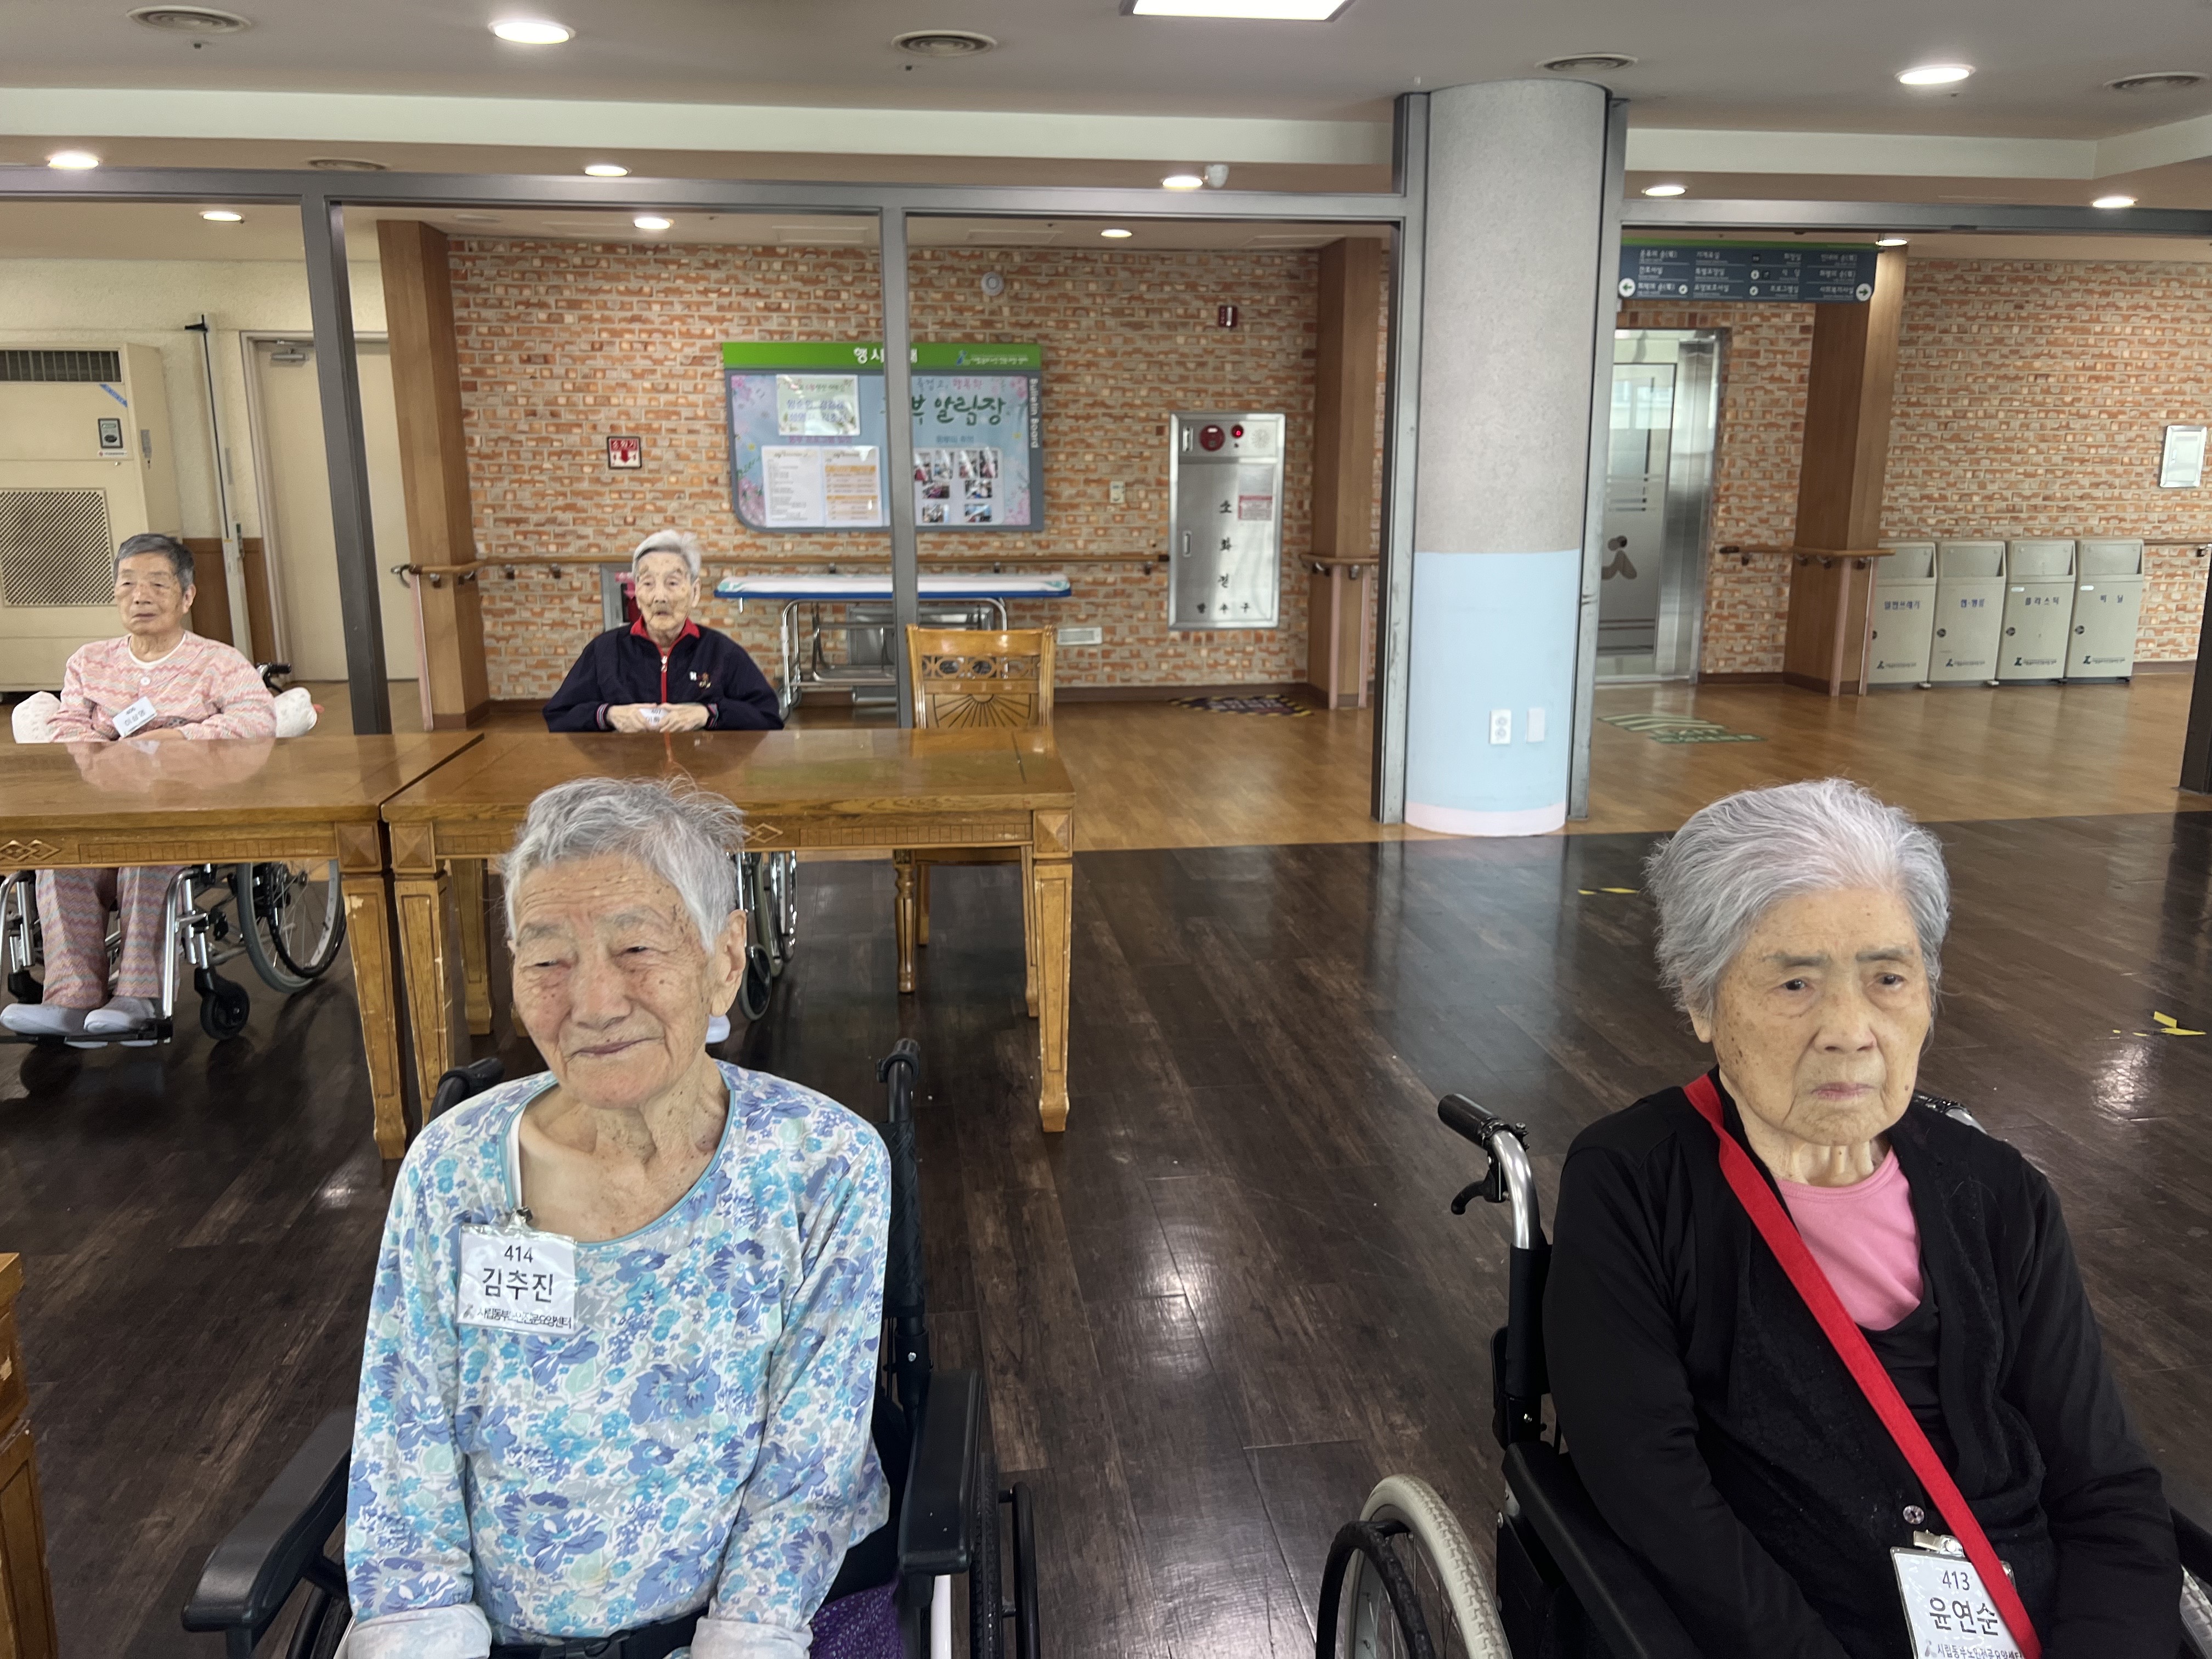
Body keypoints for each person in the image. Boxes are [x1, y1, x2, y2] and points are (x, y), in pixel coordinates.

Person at [1544, 778, 2180, 1659]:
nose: (1851, 1029)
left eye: (1888, 978)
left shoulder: (2000, 1194)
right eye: (1795, 982)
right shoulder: (1635, 1184)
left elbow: (2105, 1486)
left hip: (2029, 1613)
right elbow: (1654, 1493)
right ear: (1700, 999)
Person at [345, 778, 893, 1658]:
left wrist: (743, 1640)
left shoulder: (823, 1163)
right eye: (547, 961)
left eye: (636, 947)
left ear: (725, 960)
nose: (594, 1003)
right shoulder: (453, 1166)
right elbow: (405, 1438)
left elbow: (809, 1470)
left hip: (755, 1625)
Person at [1, 532, 274, 1042]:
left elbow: (257, 719)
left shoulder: (219, 662)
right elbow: (67, 724)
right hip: (101, 804)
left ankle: (138, 995)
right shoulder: (90, 661)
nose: (140, 596)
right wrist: (101, 750)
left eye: (156, 584)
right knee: (61, 860)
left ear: (187, 596)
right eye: (127, 584)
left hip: (183, 806)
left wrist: (180, 737)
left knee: (148, 854)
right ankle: (70, 998)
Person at [543, 531, 782, 733]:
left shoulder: (721, 652)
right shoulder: (604, 650)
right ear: (636, 593)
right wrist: (609, 715)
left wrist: (708, 714)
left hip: (699, 768)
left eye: (673, 583)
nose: (660, 597)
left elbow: (768, 716)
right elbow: (559, 716)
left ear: (695, 592)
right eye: (648, 583)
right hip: (627, 770)